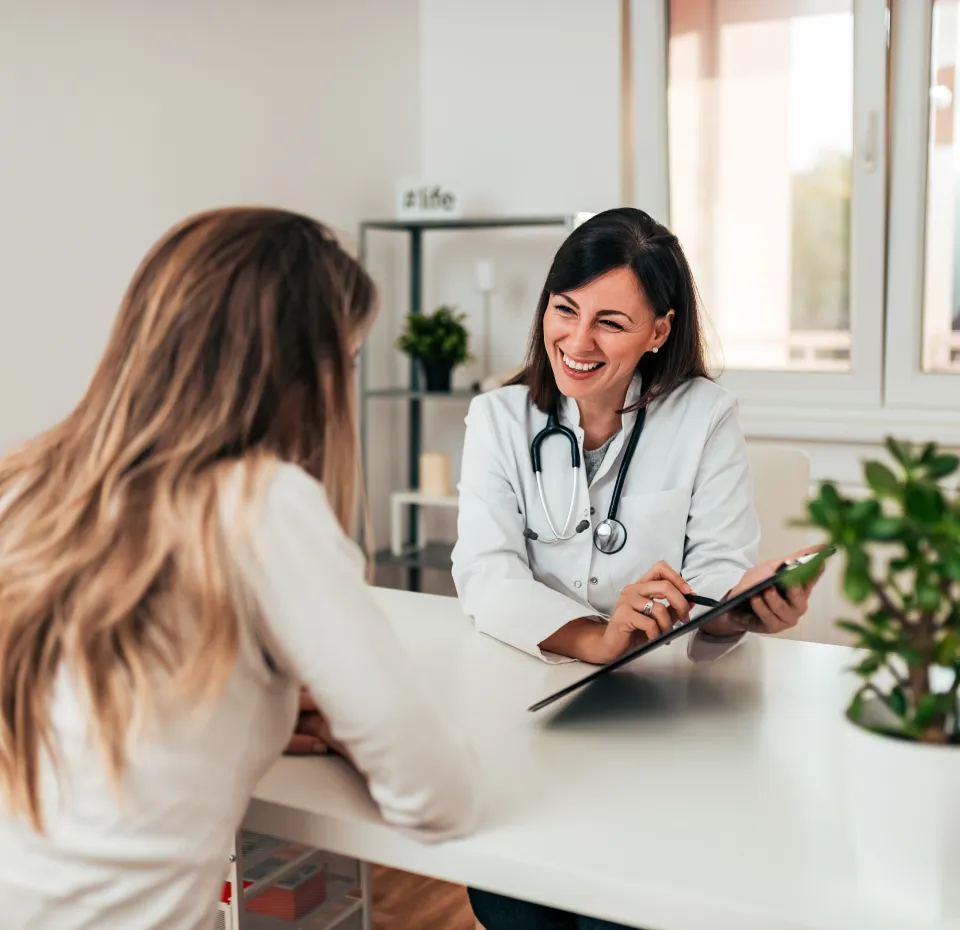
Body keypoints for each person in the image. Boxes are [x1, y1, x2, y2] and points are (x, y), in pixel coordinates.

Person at [0, 208, 478, 930]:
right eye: (346, 363)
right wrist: (351, 728)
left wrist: (247, 710)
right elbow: (438, 799)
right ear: (301, 373)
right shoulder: (260, 504)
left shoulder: (26, 482)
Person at [451, 207, 820, 929]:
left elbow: (715, 573)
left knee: (621, 913)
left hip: (664, 730)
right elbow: (485, 573)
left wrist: (739, 609)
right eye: (565, 310)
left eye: (610, 323)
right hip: (530, 723)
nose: (577, 342)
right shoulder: (498, 419)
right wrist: (596, 637)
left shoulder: (704, 416)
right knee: (512, 904)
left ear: (659, 330)